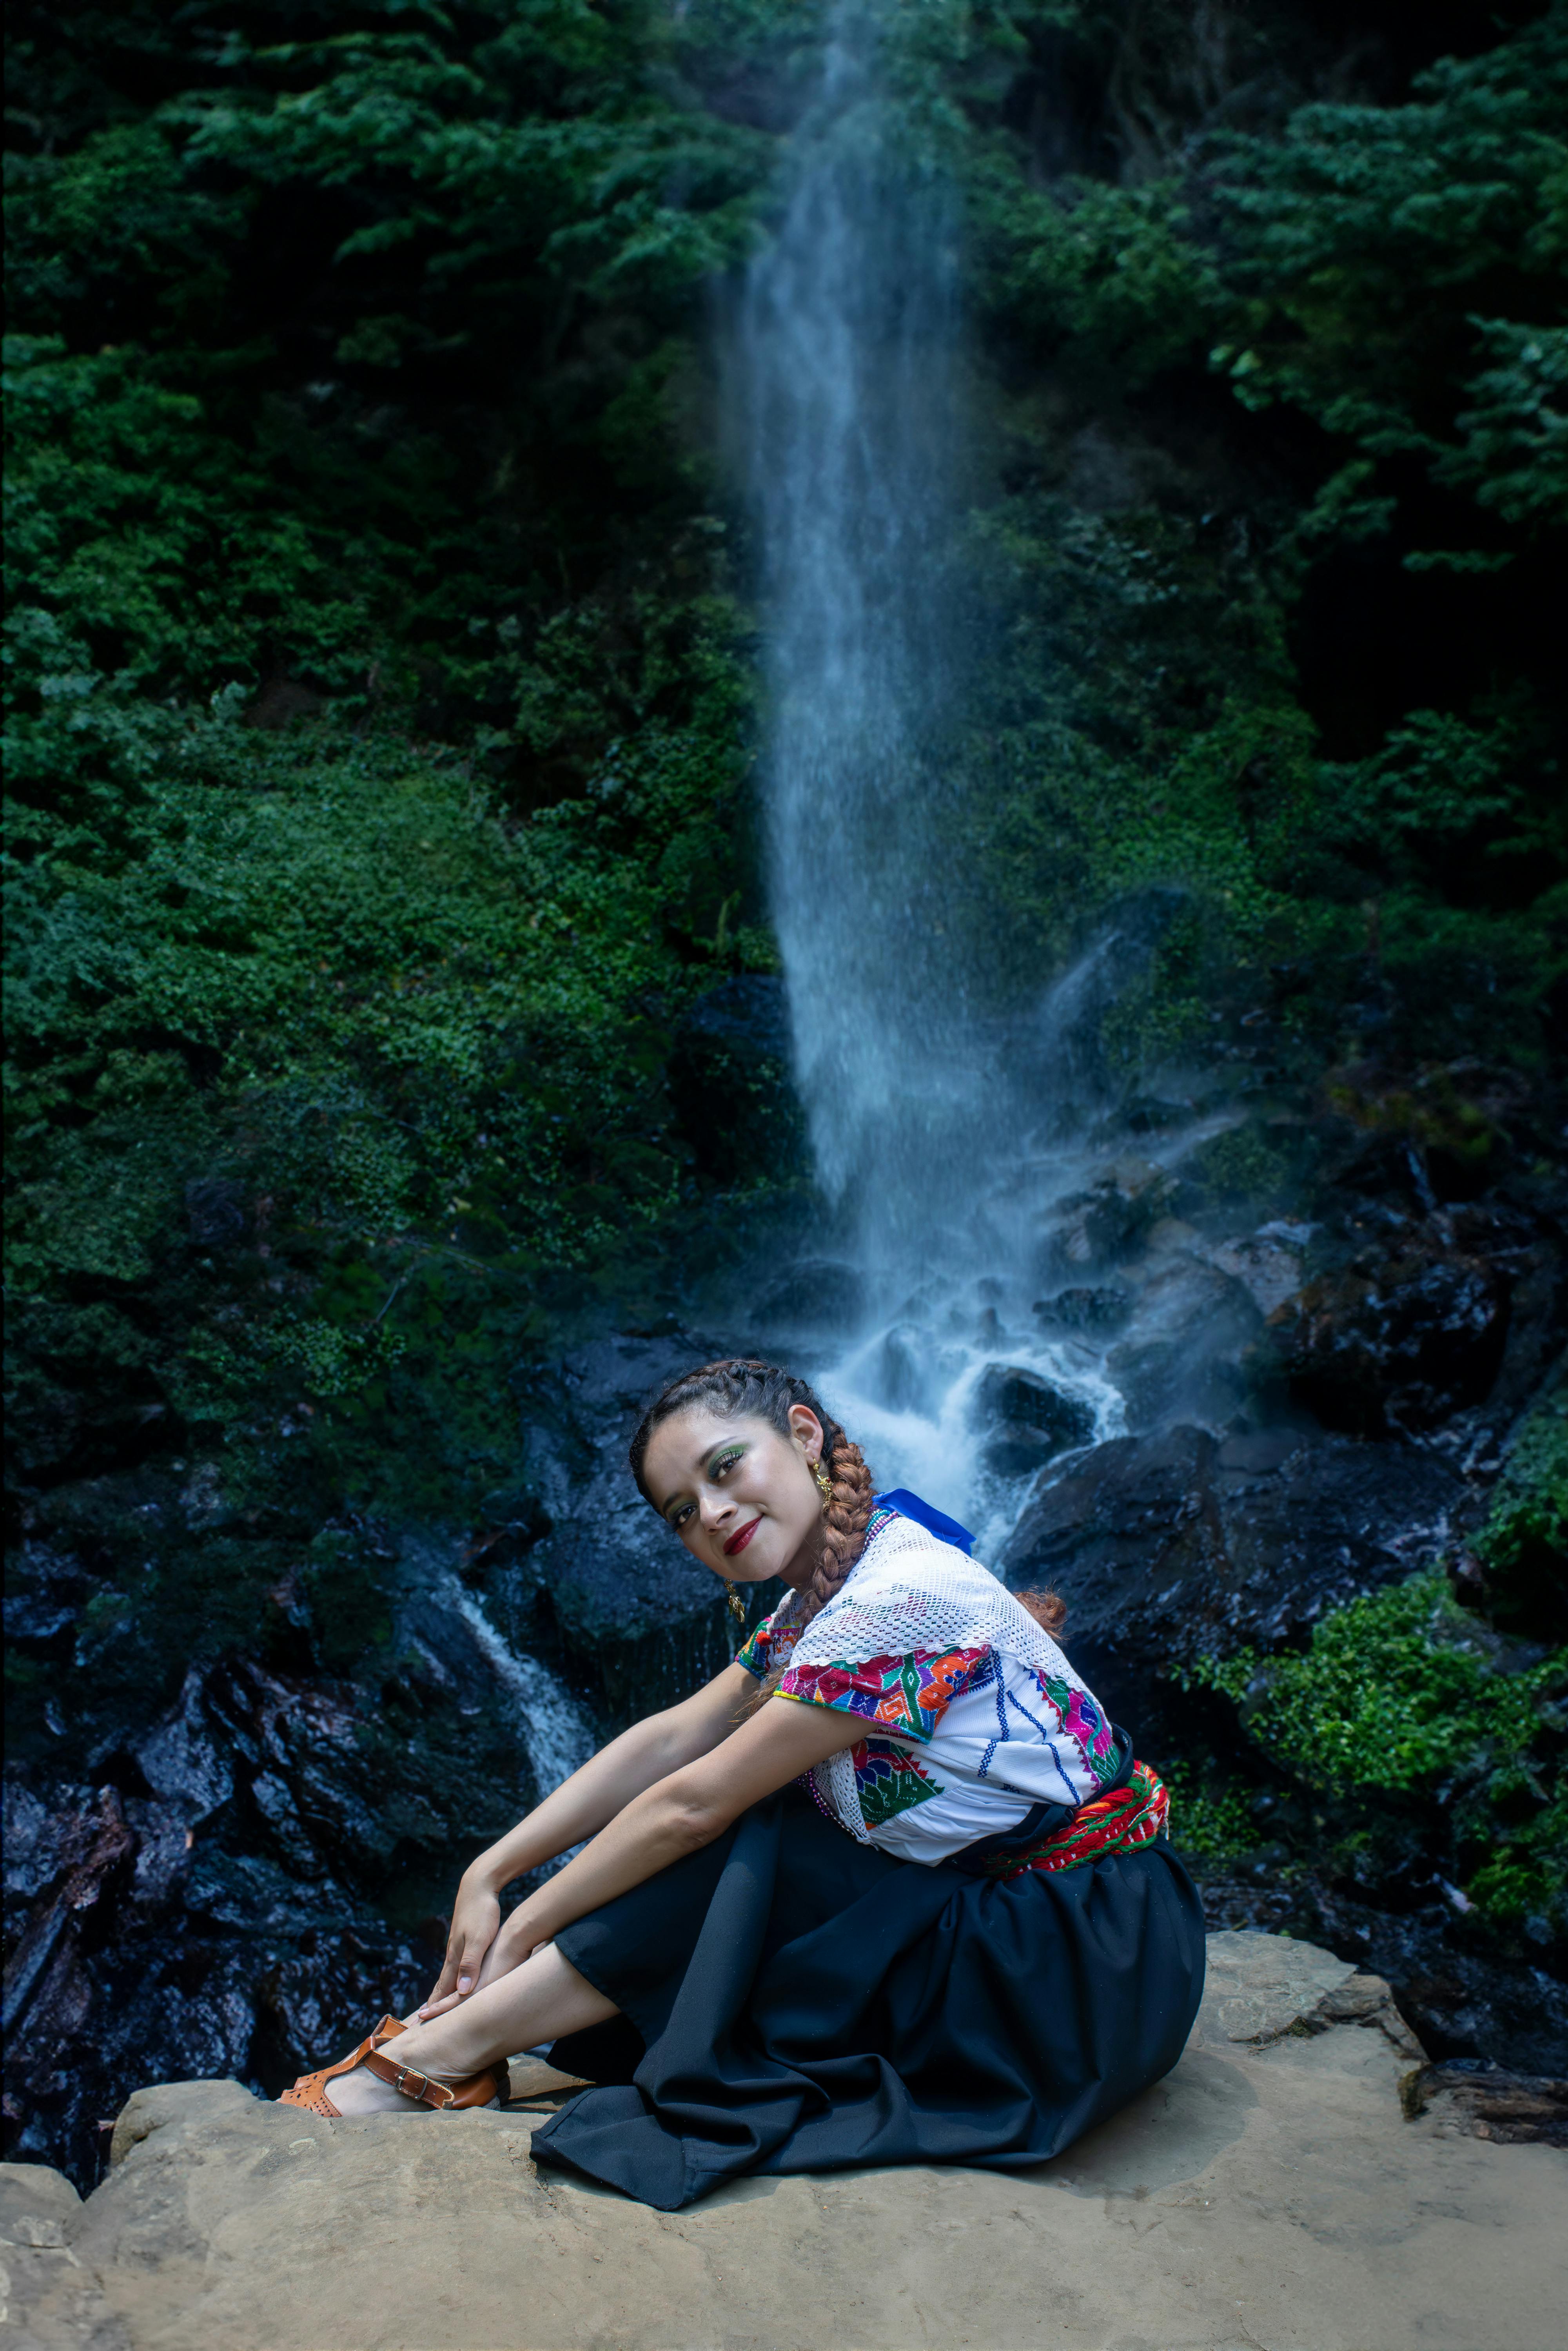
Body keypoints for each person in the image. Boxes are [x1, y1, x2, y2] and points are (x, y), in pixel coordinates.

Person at [280, 1358, 1204, 2209]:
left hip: (1078, 1972)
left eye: (725, 1468)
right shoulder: (837, 1578)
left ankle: (452, 2049)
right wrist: (489, 1868)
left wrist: (527, 1924)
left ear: (804, 1434)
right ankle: (470, 2043)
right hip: (1021, 1911)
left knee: (755, 1818)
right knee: (771, 1807)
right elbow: (676, 1735)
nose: (712, 1513)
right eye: (683, 1510)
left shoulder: (897, 1596)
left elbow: (690, 1802)